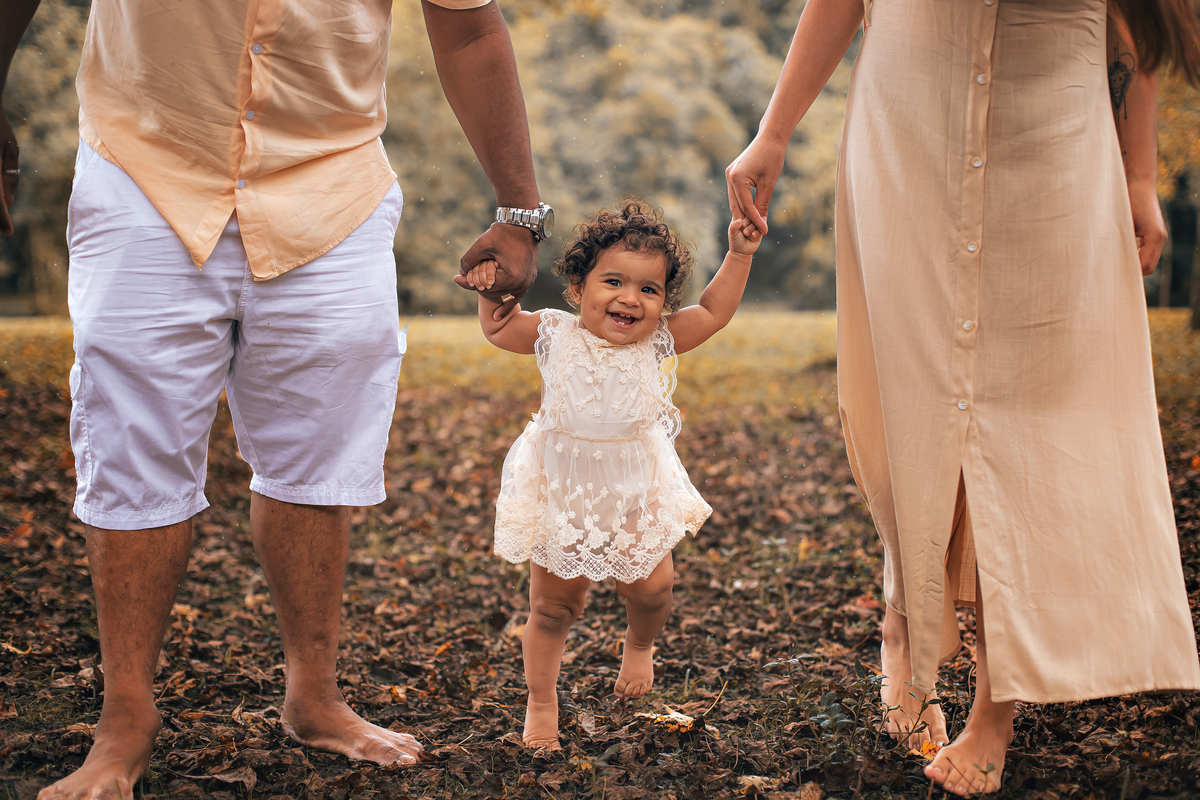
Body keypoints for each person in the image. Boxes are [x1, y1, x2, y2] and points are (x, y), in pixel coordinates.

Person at [0, 0, 549, 798]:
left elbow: (468, 25)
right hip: (143, 165)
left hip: (330, 186)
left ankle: (314, 697)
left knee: (319, 447)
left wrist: (519, 211)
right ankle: (124, 719)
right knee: (130, 442)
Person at [726, 0, 1200, 794]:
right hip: (910, 128)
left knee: (1033, 415)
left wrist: (1141, 174)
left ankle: (994, 710)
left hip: (1052, 139)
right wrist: (774, 132)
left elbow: (1142, 20)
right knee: (909, 398)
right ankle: (905, 613)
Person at [459, 200, 761, 748]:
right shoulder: (554, 333)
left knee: (653, 588)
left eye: (649, 289)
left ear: (663, 301)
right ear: (578, 288)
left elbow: (714, 312)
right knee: (553, 608)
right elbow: (499, 327)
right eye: (614, 282)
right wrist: (491, 286)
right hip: (564, 492)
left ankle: (640, 644)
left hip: (635, 490)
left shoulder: (657, 339)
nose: (630, 298)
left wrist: (739, 254)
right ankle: (541, 702)